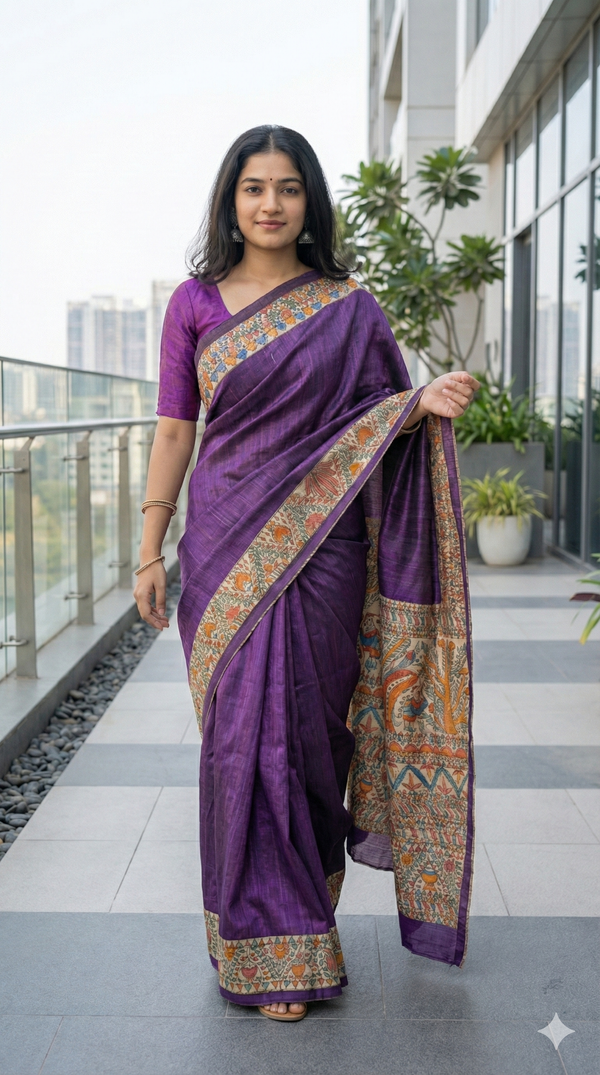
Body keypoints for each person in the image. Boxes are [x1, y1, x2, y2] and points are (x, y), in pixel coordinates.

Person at [134, 125, 478, 1023]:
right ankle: (266, 939)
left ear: (310, 201)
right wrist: (149, 546)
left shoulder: (348, 307)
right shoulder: (195, 304)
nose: (271, 203)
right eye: (254, 187)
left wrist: (421, 403)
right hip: (223, 547)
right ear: (230, 200)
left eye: (288, 188)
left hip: (324, 552)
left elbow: (379, 417)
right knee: (243, 743)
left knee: (315, 739)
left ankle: (300, 914)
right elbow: (174, 429)